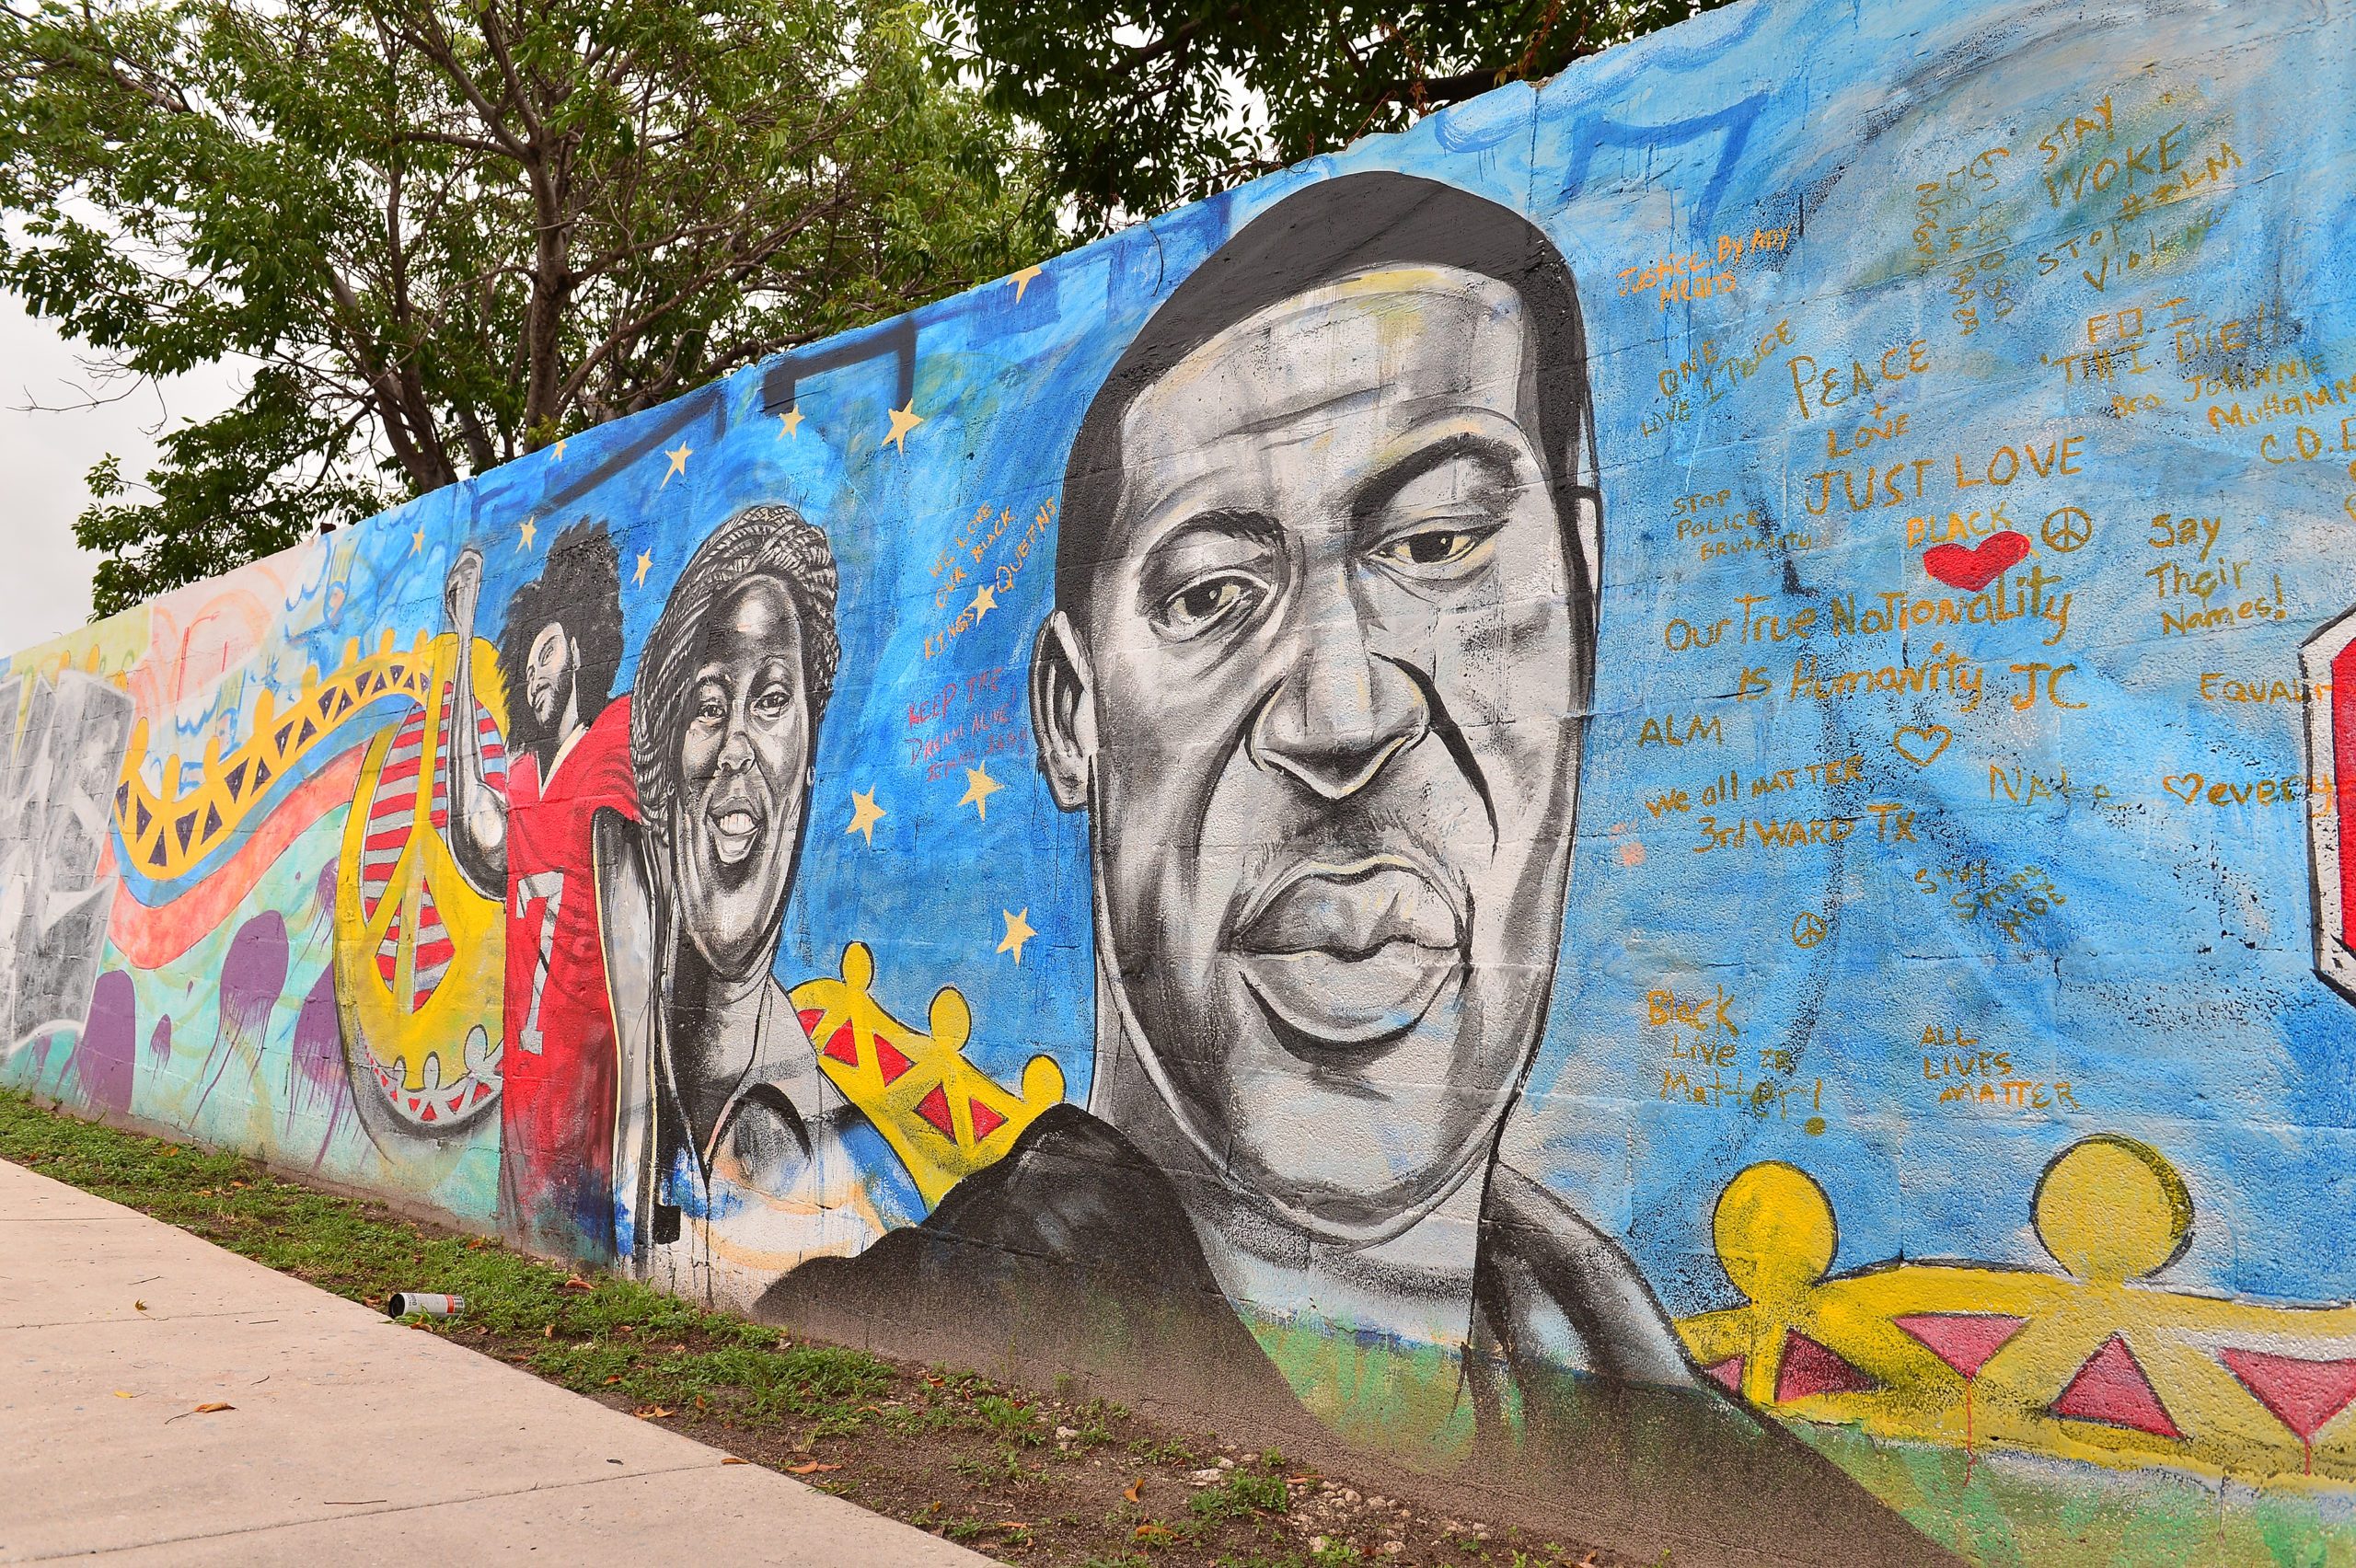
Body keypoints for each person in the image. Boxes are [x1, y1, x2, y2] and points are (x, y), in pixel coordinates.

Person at [762, 172, 1954, 1564]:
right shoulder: (901, 1347)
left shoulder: (1714, 1476)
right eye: (1214, 596)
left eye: (1440, 545)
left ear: (1583, 592)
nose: (1343, 714)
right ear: (1073, 720)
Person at [595, 503, 875, 1302]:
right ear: (660, 762)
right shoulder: (602, 1048)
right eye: (710, 706)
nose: (736, 748)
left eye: (774, 700)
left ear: (811, 754)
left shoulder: (853, 1178)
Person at [443, 520, 636, 1262]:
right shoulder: (525, 784)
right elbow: (472, 819)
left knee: (583, 1255)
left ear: (581, 650)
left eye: (546, 651)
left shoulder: (615, 749)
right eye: (524, 664)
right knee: (527, 1248)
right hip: (526, 1084)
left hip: (594, 1081)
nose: (534, 672)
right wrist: (463, 645)